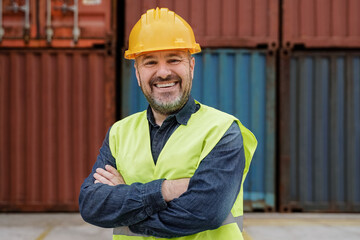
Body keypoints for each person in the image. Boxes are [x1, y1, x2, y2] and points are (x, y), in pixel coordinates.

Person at [79, 7, 257, 240]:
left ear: (191, 66)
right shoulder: (119, 133)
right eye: (150, 62)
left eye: (173, 59)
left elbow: (205, 212)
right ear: (137, 72)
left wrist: (125, 203)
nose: (163, 72)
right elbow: (92, 205)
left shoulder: (223, 131)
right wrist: (167, 190)